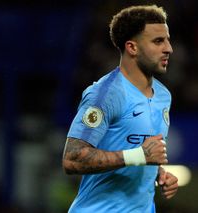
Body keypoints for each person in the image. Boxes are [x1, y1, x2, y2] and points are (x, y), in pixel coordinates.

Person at [62, 4, 178, 213]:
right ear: (132, 48)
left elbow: (141, 151)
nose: (169, 48)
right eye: (158, 41)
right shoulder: (105, 95)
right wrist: (139, 156)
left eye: (167, 39)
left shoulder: (163, 96)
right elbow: (72, 159)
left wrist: (158, 172)